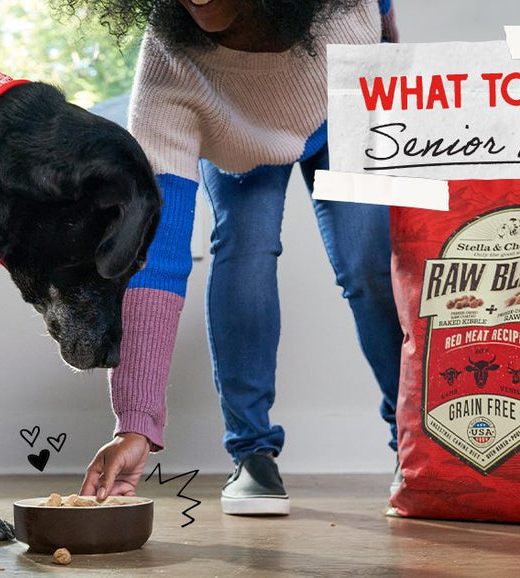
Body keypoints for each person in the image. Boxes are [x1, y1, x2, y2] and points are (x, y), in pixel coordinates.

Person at [75, 0, 403, 515]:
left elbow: (387, 28)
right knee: (244, 250)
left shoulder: (351, 10)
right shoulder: (170, 69)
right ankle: (252, 454)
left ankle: (414, 439)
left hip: (347, 104)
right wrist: (134, 423)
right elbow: (155, 258)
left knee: (371, 263)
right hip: (239, 139)